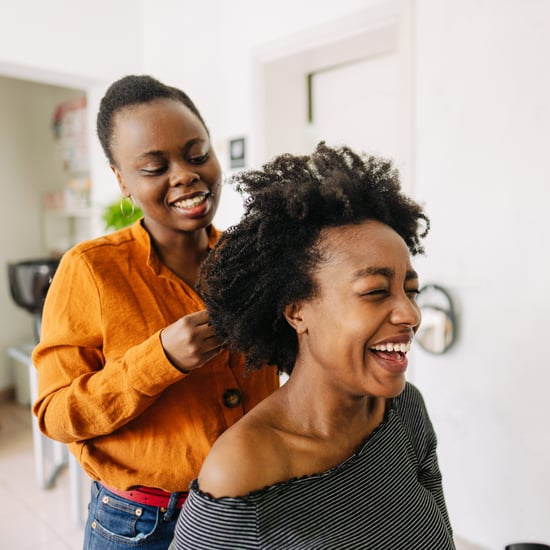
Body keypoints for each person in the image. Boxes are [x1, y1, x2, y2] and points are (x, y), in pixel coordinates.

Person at [32, 75, 279, 550]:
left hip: (253, 505)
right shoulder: (89, 271)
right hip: (144, 524)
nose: (185, 174)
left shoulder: (253, 260)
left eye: (196, 153)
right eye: (154, 166)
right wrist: (159, 360)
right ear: (122, 180)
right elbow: (56, 415)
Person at [172, 142, 455, 549]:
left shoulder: (406, 409)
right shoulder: (242, 469)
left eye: (410, 291)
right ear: (297, 312)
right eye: (376, 291)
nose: (410, 315)